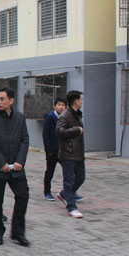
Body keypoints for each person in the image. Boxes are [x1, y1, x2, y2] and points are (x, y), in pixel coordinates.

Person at [0, 87, 30, 247]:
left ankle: (18, 232)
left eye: (2, 99)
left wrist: (20, 161)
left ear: (11, 100)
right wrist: (2, 163)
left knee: (23, 196)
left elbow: (24, 140)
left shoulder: (20, 118)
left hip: (17, 167)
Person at [56, 90, 86, 218]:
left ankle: (64, 194)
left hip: (78, 152)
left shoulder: (77, 114)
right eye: (81, 99)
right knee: (69, 181)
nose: (82, 102)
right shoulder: (65, 115)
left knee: (81, 177)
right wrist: (76, 130)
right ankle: (71, 206)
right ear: (75, 102)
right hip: (68, 153)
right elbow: (59, 131)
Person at [42, 97, 67, 201]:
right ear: (54, 106)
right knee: (50, 172)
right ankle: (47, 192)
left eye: (63, 105)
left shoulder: (65, 117)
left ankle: (68, 192)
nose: (61, 107)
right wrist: (48, 150)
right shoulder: (50, 117)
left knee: (68, 171)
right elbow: (45, 135)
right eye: (59, 105)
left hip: (63, 151)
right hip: (52, 151)